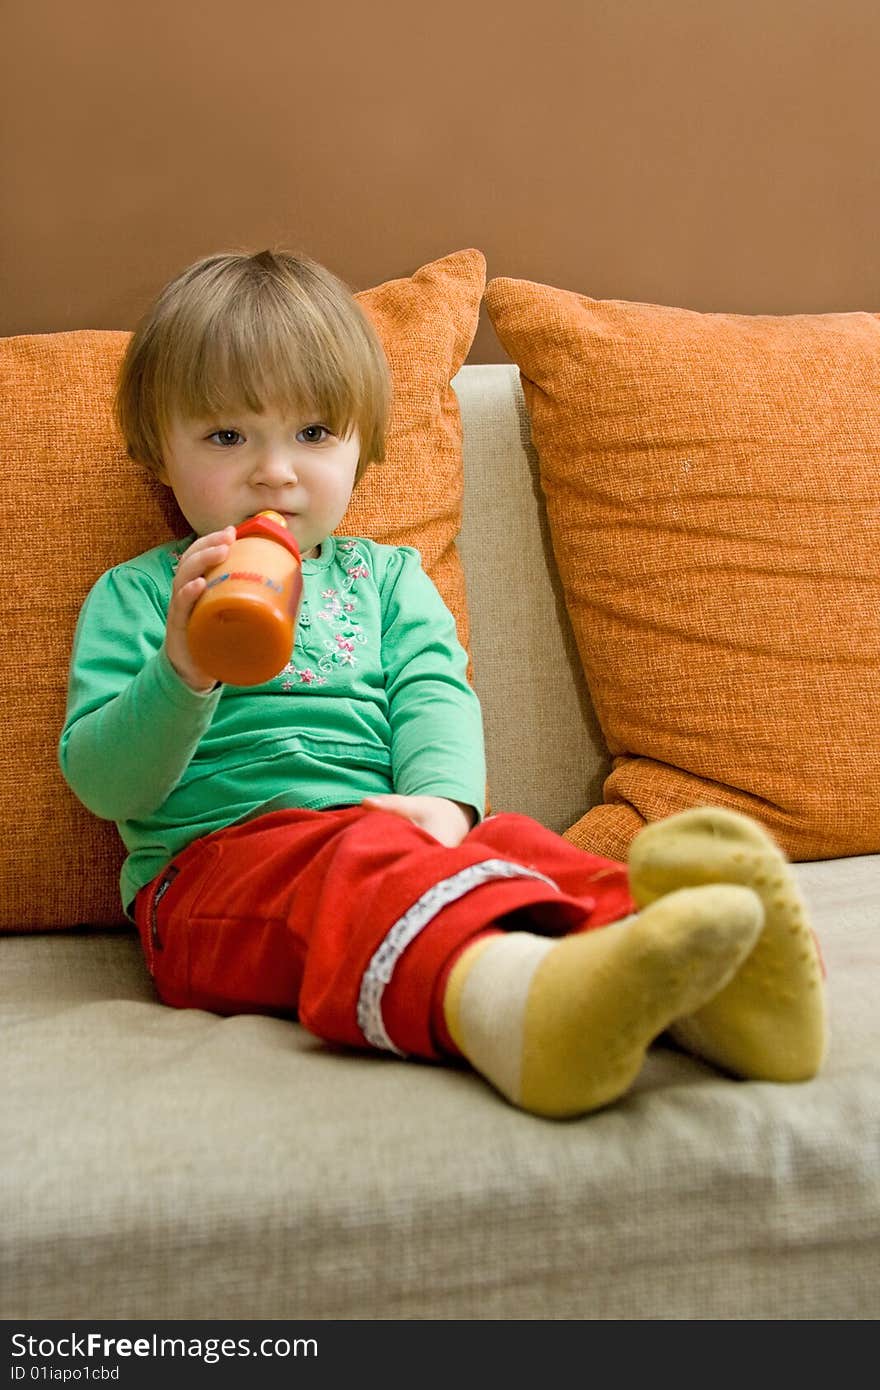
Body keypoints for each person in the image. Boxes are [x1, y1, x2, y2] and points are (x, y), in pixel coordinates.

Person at [58, 250, 827, 1119]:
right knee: (358, 864)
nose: (274, 472)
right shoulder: (140, 595)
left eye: (313, 434)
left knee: (527, 847)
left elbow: (435, 695)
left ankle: (721, 990)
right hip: (209, 883)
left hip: (388, 836)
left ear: (363, 447)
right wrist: (181, 670)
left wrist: (441, 805)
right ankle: (524, 1016)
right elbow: (102, 780)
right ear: (158, 451)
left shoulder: (386, 579)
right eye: (227, 436)